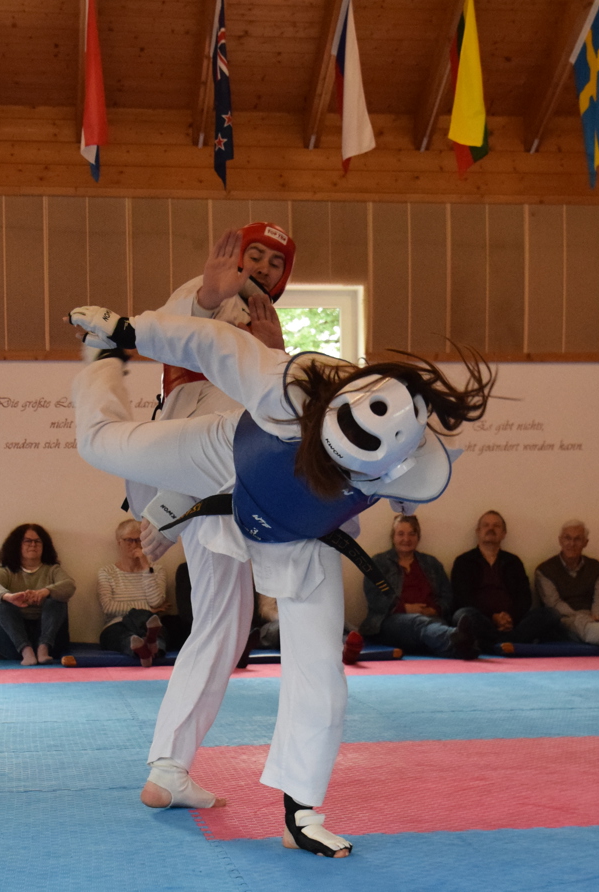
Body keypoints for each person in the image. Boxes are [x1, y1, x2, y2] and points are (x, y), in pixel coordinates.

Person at [68, 299, 493, 858]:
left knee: (321, 670)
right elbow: (210, 343)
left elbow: (404, 492)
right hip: (227, 454)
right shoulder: (291, 385)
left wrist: (392, 495)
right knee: (100, 444)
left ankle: (302, 814)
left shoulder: (414, 461)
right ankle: (102, 360)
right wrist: (129, 331)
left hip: (307, 529)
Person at [119, 224, 293, 821]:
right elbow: (160, 336)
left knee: (229, 618)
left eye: (275, 262)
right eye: (255, 255)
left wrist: (275, 354)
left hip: (226, 474)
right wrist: (208, 297)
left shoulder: (265, 319)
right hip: (199, 453)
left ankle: (170, 767)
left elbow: (277, 403)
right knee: (223, 620)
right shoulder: (207, 290)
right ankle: (168, 768)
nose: (263, 267)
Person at [362, 514, 478, 660]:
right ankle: (458, 638)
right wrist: (405, 608)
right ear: (393, 537)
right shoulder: (378, 563)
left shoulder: (432, 563)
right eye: (401, 534)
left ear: (418, 537)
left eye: (412, 534)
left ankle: (462, 648)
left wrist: (434, 609)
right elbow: (374, 598)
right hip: (390, 623)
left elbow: (447, 596)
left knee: (432, 628)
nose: (406, 539)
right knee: (419, 622)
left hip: (432, 619)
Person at [450, 510, 567, 652]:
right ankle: (510, 643)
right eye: (486, 525)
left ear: (504, 533)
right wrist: (493, 617)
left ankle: (495, 644)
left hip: (513, 622)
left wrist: (509, 618)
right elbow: (462, 598)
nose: (491, 529)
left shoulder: (513, 561)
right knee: (463, 615)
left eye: (496, 526)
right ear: (478, 532)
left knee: (551, 614)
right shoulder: (464, 561)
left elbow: (524, 597)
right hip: (481, 619)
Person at [534, 520, 599, 657]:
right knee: (580, 623)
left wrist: (597, 615)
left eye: (577, 539)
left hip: (594, 616)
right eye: (567, 538)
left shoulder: (596, 568)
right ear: (560, 541)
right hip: (565, 619)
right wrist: (582, 617)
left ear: (585, 543)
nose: (572, 544)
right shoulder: (544, 570)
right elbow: (554, 603)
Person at [0, 524, 75, 665]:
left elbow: (69, 585)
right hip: (13, 642)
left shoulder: (53, 570)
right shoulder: (7, 572)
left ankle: (43, 648)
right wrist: (9, 597)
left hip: (50, 640)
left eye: (37, 541)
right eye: (27, 541)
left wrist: (46, 592)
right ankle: (26, 650)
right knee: (1, 603)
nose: (33, 545)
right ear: (17, 545)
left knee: (57, 599)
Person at [96, 519, 168, 667]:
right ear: (119, 542)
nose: (135, 545)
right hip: (117, 623)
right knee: (120, 636)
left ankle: (151, 646)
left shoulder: (157, 570)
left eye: (139, 540)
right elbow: (109, 607)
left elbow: (156, 602)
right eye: (129, 540)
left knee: (158, 630)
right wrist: (148, 609)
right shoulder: (106, 572)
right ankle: (144, 648)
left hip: (147, 623)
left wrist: (145, 566)